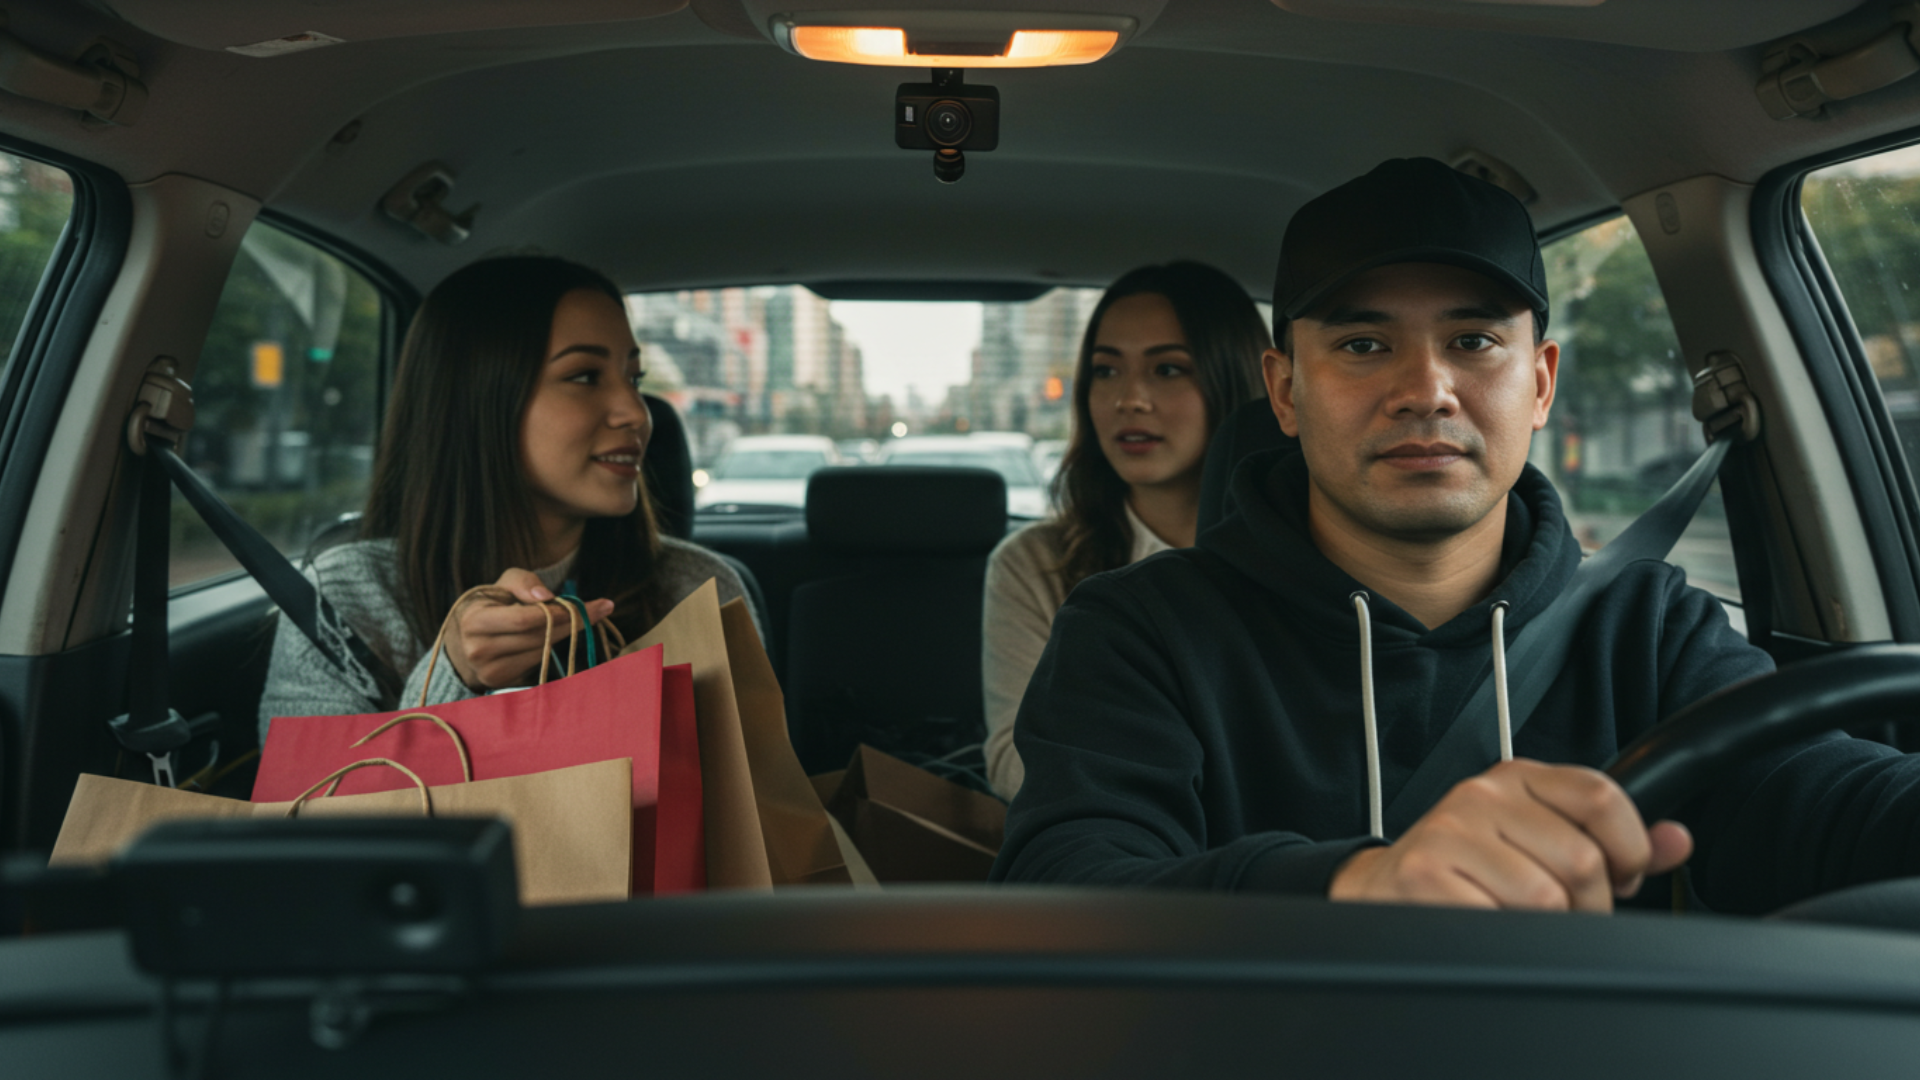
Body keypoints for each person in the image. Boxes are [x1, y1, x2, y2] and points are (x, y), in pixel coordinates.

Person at [992, 158, 1920, 914]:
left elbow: (1818, 800)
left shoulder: (1649, 627)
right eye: (1363, 345)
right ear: (1284, 391)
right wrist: (1356, 883)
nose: (1426, 388)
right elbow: (1065, 882)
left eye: (1474, 341)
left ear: (1542, 383)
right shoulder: (1139, 630)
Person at [259, 256, 761, 739]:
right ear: (479, 399)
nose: (635, 411)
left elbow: (753, 803)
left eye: (635, 378)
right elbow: (310, 812)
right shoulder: (348, 597)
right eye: (585, 376)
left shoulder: (698, 589)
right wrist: (453, 676)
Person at [982, 262, 1270, 799]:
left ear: (1240, 378)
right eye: (1106, 371)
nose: (1128, 399)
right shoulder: (1035, 564)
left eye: (1168, 370)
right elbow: (1013, 763)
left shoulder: (1309, 558)